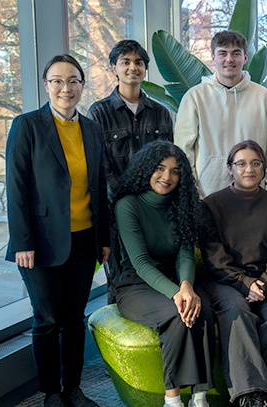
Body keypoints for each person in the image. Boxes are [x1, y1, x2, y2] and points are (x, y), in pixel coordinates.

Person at [6, 54, 110, 407]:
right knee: (47, 318)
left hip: (83, 240)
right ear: (46, 85)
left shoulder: (92, 128)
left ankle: (73, 389)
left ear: (82, 85)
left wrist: (104, 239)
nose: (66, 88)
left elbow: (99, 186)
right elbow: (16, 188)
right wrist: (22, 241)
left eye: (73, 81)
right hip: (39, 244)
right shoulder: (27, 125)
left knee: (74, 319)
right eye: (57, 80)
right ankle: (51, 392)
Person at [113, 140, 214, 407]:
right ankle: (173, 401)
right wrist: (176, 294)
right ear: (146, 168)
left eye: (175, 171)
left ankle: (200, 398)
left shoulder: (182, 205)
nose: (167, 177)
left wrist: (186, 287)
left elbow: (184, 254)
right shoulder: (127, 205)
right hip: (136, 283)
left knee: (202, 310)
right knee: (176, 315)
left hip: (176, 279)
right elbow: (141, 262)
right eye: (160, 168)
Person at [201, 140, 267, 407]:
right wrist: (245, 284)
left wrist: (263, 283)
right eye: (241, 164)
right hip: (225, 281)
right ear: (230, 169)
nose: (249, 169)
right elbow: (214, 256)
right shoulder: (212, 205)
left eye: (255, 163)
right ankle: (249, 396)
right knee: (236, 311)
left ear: (264, 168)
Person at [88, 39, 174, 304]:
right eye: (125, 62)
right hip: (116, 212)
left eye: (138, 62)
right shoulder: (99, 112)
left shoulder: (160, 112)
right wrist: (128, 200)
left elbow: (168, 161)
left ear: (145, 69)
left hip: (154, 210)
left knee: (156, 271)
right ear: (114, 67)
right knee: (119, 276)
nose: (132, 67)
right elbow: (99, 166)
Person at [175, 30, 267, 198]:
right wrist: (193, 196)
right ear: (213, 58)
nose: (229, 59)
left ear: (245, 58)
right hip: (207, 196)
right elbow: (183, 152)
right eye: (222, 53)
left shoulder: (264, 98)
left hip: (255, 196)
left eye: (236, 53)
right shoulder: (194, 97)